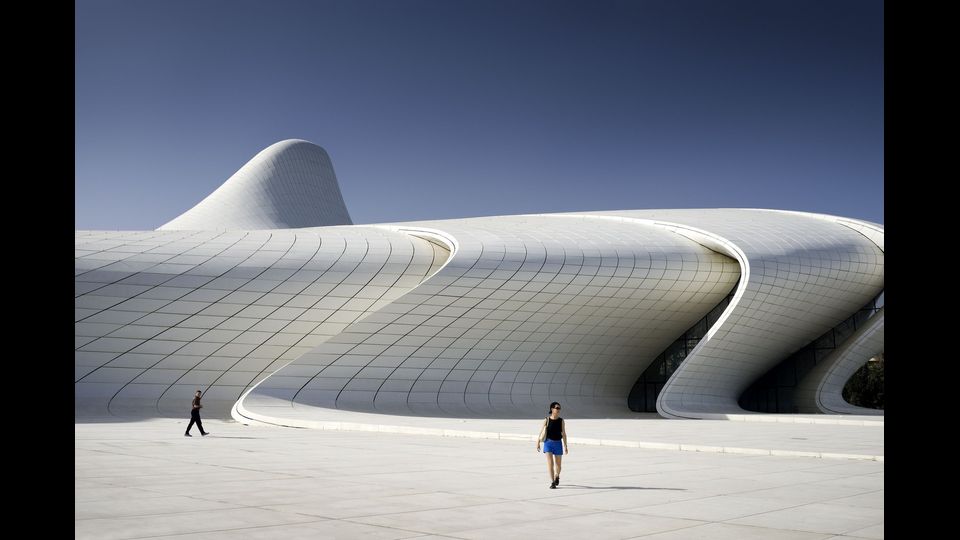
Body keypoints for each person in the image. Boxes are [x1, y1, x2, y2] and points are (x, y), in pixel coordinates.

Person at [536, 401, 568, 488]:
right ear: (552, 409)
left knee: (558, 466)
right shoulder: (546, 420)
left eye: (559, 408)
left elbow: (564, 433)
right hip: (548, 443)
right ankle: (553, 482)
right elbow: (541, 432)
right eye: (557, 408)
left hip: (558, 443)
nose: (558, 410)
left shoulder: (561, 421)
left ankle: (557, 475)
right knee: (550, 463)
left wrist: (565, 446)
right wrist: (538, 442)